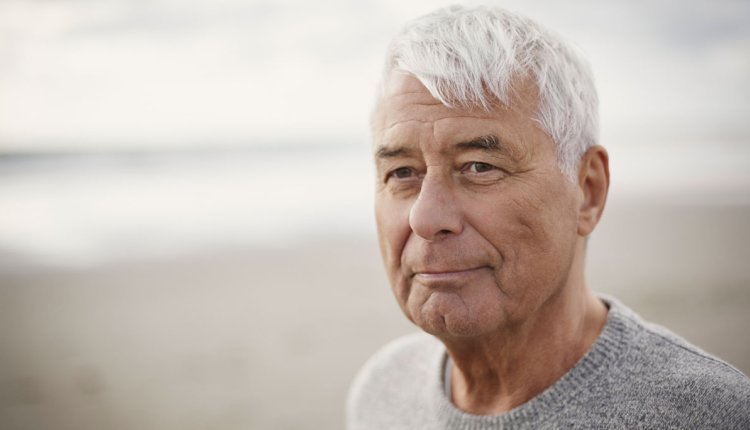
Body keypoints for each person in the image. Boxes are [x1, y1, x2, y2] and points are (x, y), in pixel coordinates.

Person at [346, 5, 750, 429]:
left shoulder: (708, 415)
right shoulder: (383, 393)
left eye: (479, 166)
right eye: (402, 173)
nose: (425, 219)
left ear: (588, 191)